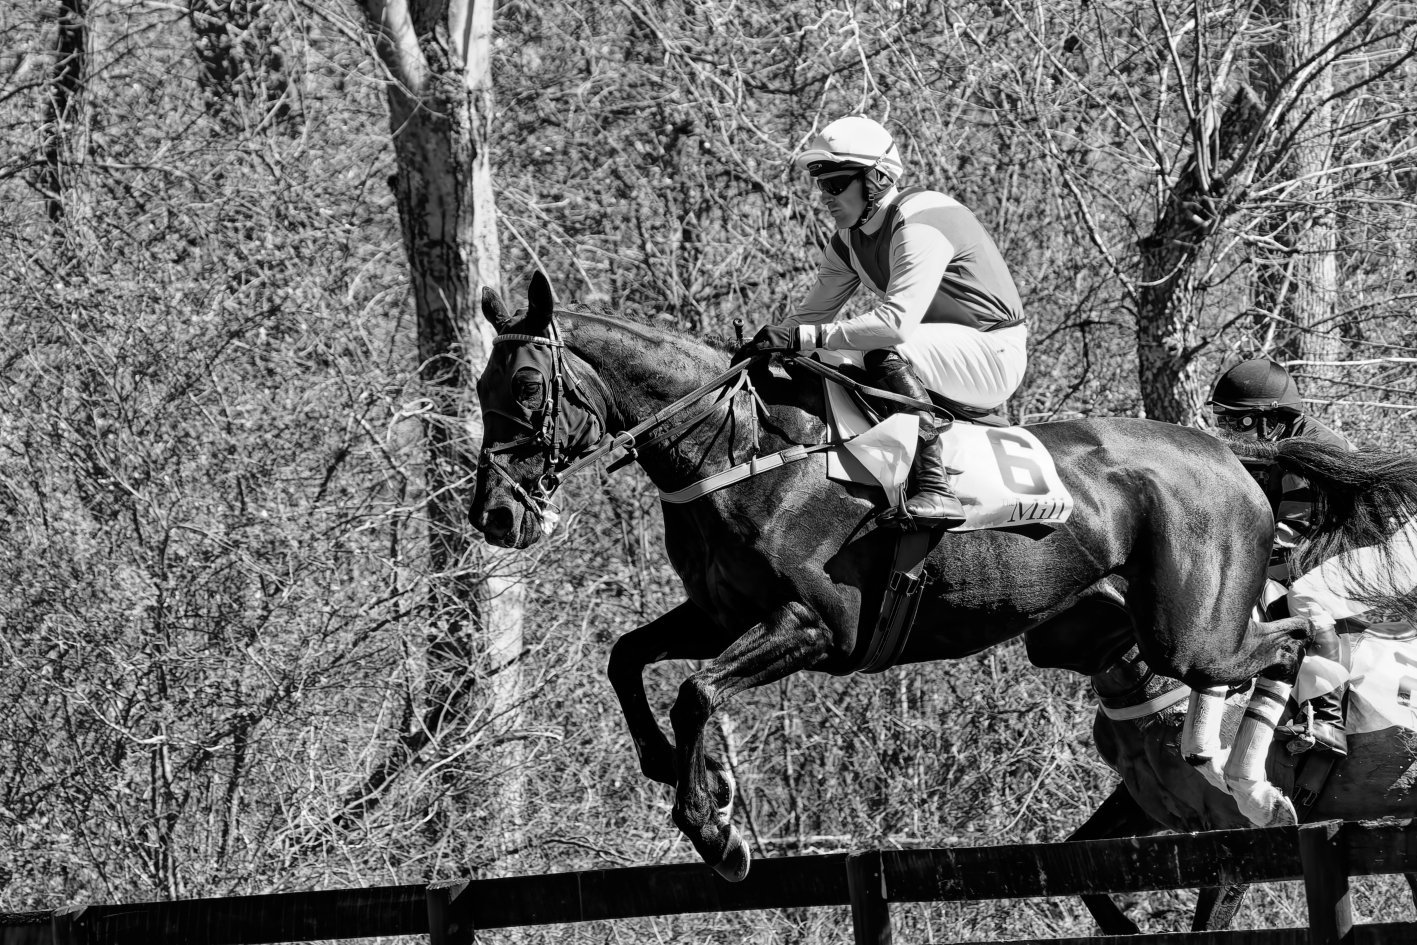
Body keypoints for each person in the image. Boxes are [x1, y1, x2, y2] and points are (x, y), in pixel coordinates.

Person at [735, 116, 1028, 529]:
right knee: (816, 354)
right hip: (939, 353)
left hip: (993, 353)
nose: (826, 197)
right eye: (822, 186)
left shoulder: (922, 218)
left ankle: (936, 488)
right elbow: (807, 320)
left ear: (875, 179)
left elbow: (895, 325)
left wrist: (800, 336)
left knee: (876, 346)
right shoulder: (848, 241)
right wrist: (757, 349)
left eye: (836, 185)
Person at [1208, 357, 1351, 758]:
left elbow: (1293, 533)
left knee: (1299, 597)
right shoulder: (1271, 443)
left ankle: (1326, 717)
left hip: (1371, 547)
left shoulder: (1307, 452)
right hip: (1321, 540)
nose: (1228, 431)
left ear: (1271, 419)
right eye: (1223, 419)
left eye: (1238, 421)